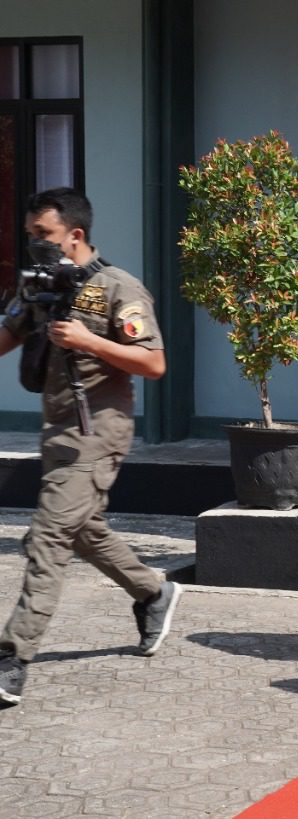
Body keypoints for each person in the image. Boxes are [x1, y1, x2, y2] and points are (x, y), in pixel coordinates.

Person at [0, 188, 177, 707]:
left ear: (74, 235)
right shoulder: (38, 285)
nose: (35, 244)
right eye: (30, 235)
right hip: (56, 430)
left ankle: (13, 656)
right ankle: (153, 591)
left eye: (44, 235)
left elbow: (154, 363)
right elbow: (7, 334)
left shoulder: (118, 287)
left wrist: (90, 341)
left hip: (98, 432)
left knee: (49, 536)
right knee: (82, 531)